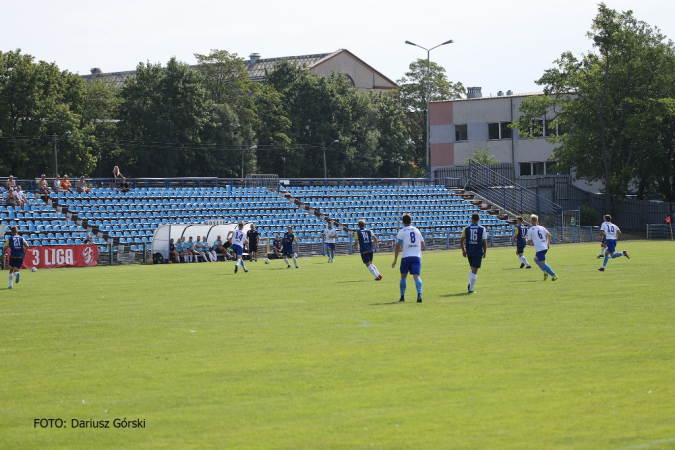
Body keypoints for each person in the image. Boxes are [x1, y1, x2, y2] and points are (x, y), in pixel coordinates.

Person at [391, 214, 424, 302]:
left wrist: (395, 259)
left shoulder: (402, 231)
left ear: (403, 222)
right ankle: (419, 294)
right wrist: (416, 249)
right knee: (417, 276)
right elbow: (423, 243)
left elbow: (398, 245)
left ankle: (402, 297)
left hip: (406, 257)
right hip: (416, 256)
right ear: (411, 221)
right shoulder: (417, 230)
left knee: (403, 276)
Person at [460, 212, 488, 294]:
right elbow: (484, 241)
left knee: (472, 268)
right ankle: (471, 289)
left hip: (470, 251)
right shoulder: (482, 229)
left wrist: (463, 250)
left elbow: (461, 240)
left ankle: (470, 284)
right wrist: (485, 251)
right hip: (478, 251)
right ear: (479, 219)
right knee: (475, 270)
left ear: (472, 219)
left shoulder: (466, 228)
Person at [526, 214, 558, 281]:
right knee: (535, 259)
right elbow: (549, 235)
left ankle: (554, 275)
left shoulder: (530, 230)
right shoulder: (541, 227)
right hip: (544, 247)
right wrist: (548, 244)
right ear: (537, 221)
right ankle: (545, 271)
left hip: (540, 248)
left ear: (531, 221)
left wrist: (525, 239)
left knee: (543, 263)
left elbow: (528, 242)